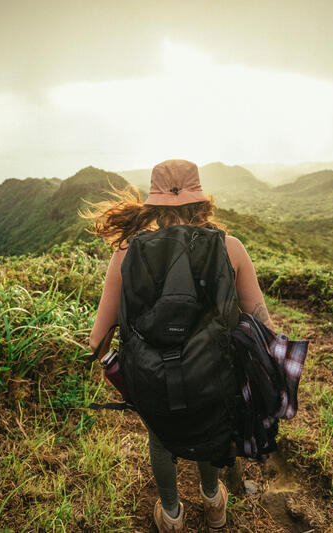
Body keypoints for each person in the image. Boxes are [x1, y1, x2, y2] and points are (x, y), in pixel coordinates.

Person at [86, 159, 274, 532]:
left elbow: (96, 340)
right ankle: (213, 501)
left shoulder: (125, 253)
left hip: (153, 379)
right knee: (210, 427)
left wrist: (120, 373)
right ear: (200, 200)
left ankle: (171, 516)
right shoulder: (231, 248)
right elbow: (263, 323)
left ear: (155, 203)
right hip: (214, 376)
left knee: (160, 438)